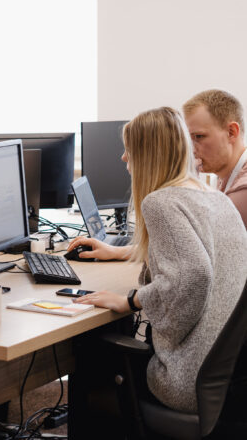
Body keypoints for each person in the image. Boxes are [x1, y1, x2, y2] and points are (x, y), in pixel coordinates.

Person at [75, 107, 247, 413]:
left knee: (90, 352)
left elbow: (193, 275)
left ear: (147, 154)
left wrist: (131, 301)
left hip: (187, 381)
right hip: (229, 381)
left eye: (129, 150)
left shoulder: (160, 202)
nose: (124, 159)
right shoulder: (215, 197)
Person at [183, 89, 247, 227]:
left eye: (199, 137)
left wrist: (187, 181)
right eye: (189, 139)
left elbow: (197, 242)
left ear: (231, 132)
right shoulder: (224, 177)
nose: (192, 150)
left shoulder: (243, 189)